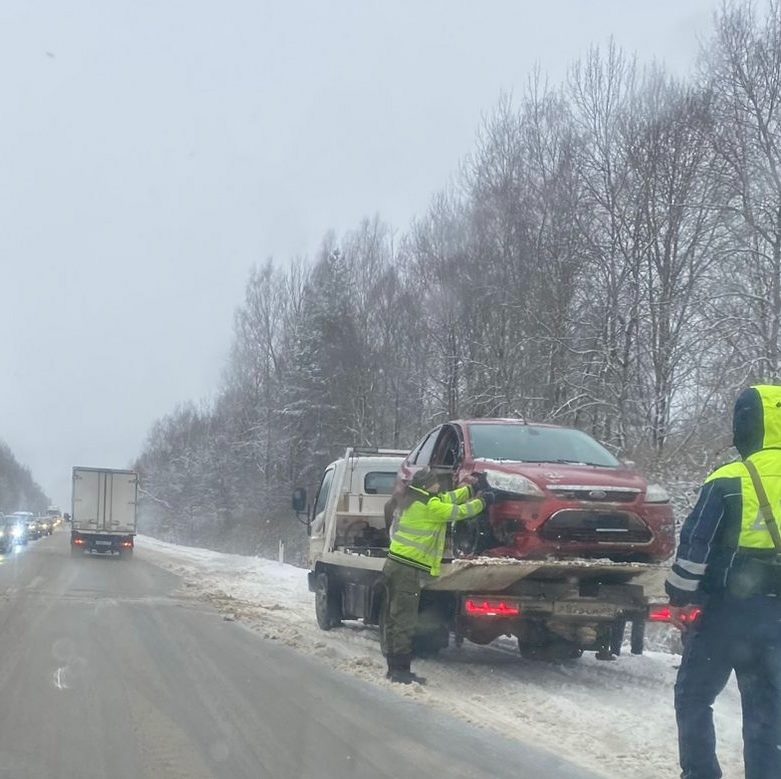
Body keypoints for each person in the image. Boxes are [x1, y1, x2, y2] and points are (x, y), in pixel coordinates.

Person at [666, 384, 781, 779]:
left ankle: (701, 774)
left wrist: (681, 598)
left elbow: (696, 544)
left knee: (694, 696)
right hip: (777, 617)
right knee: (767, 709)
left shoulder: (730, 477)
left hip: (725, 614)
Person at [382, 467, 492, 684]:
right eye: (434, 483)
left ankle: (395, 665)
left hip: (396, 564)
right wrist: (483, 501)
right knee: (404, 619)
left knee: (395, 617)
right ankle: (400, 670)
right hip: (407, 569)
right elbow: (456, 512)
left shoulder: (416, 499)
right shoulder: (429, 507)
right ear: (426, 485)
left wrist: (470, 489)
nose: (438, 486)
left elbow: (448, 498)